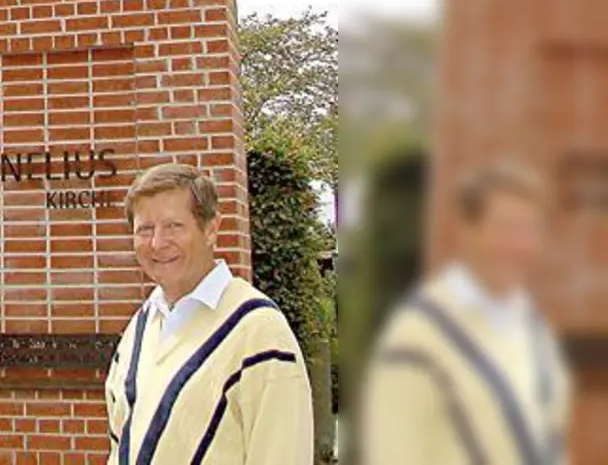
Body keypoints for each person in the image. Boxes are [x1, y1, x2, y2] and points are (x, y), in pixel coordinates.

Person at [361, 163, 571, 464]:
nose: (520, 245)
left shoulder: (536, 328)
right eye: (506, 229)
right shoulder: (415, 338)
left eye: (529, 229)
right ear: (468, 232)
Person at [104, 162, 312, 464]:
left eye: (174, 226)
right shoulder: (140, 328)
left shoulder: (260, 331)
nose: (157, 243)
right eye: (145, 229)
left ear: (211, 228)